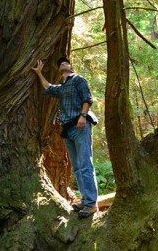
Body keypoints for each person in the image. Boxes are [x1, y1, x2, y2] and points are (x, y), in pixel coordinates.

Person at [32, 57, 98, 218]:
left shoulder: (78, 80)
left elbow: (87, 99)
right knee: (76, 167)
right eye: (60, 63)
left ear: (71, 67)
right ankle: (84, 200)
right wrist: (39, 73)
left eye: (65, 62)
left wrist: (83, 116)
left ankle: (91, 204)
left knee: (85, 164)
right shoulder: (62, 87)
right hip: (68, 130)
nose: (62, 63)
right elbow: (48, 87)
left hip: (80, 126)